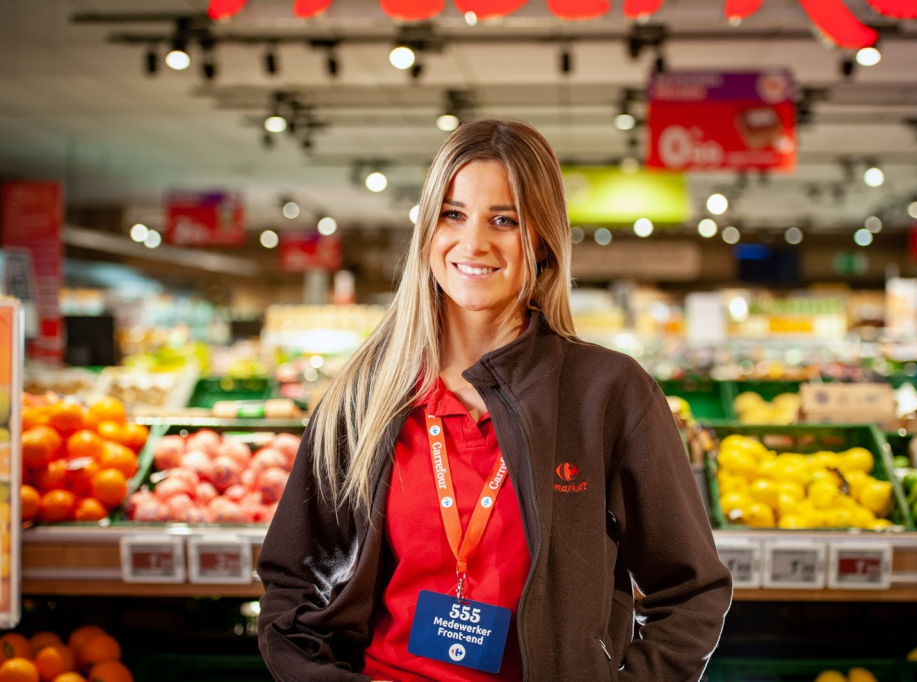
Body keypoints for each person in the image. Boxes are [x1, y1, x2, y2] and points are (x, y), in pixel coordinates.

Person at [257, 118, 732, 682]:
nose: (473, 242)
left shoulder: (607, 393)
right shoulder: (365, 396)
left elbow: (692, 589)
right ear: (428, 231)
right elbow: (292, 583)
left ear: (541, 240)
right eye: (453, 214)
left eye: (503, 220)